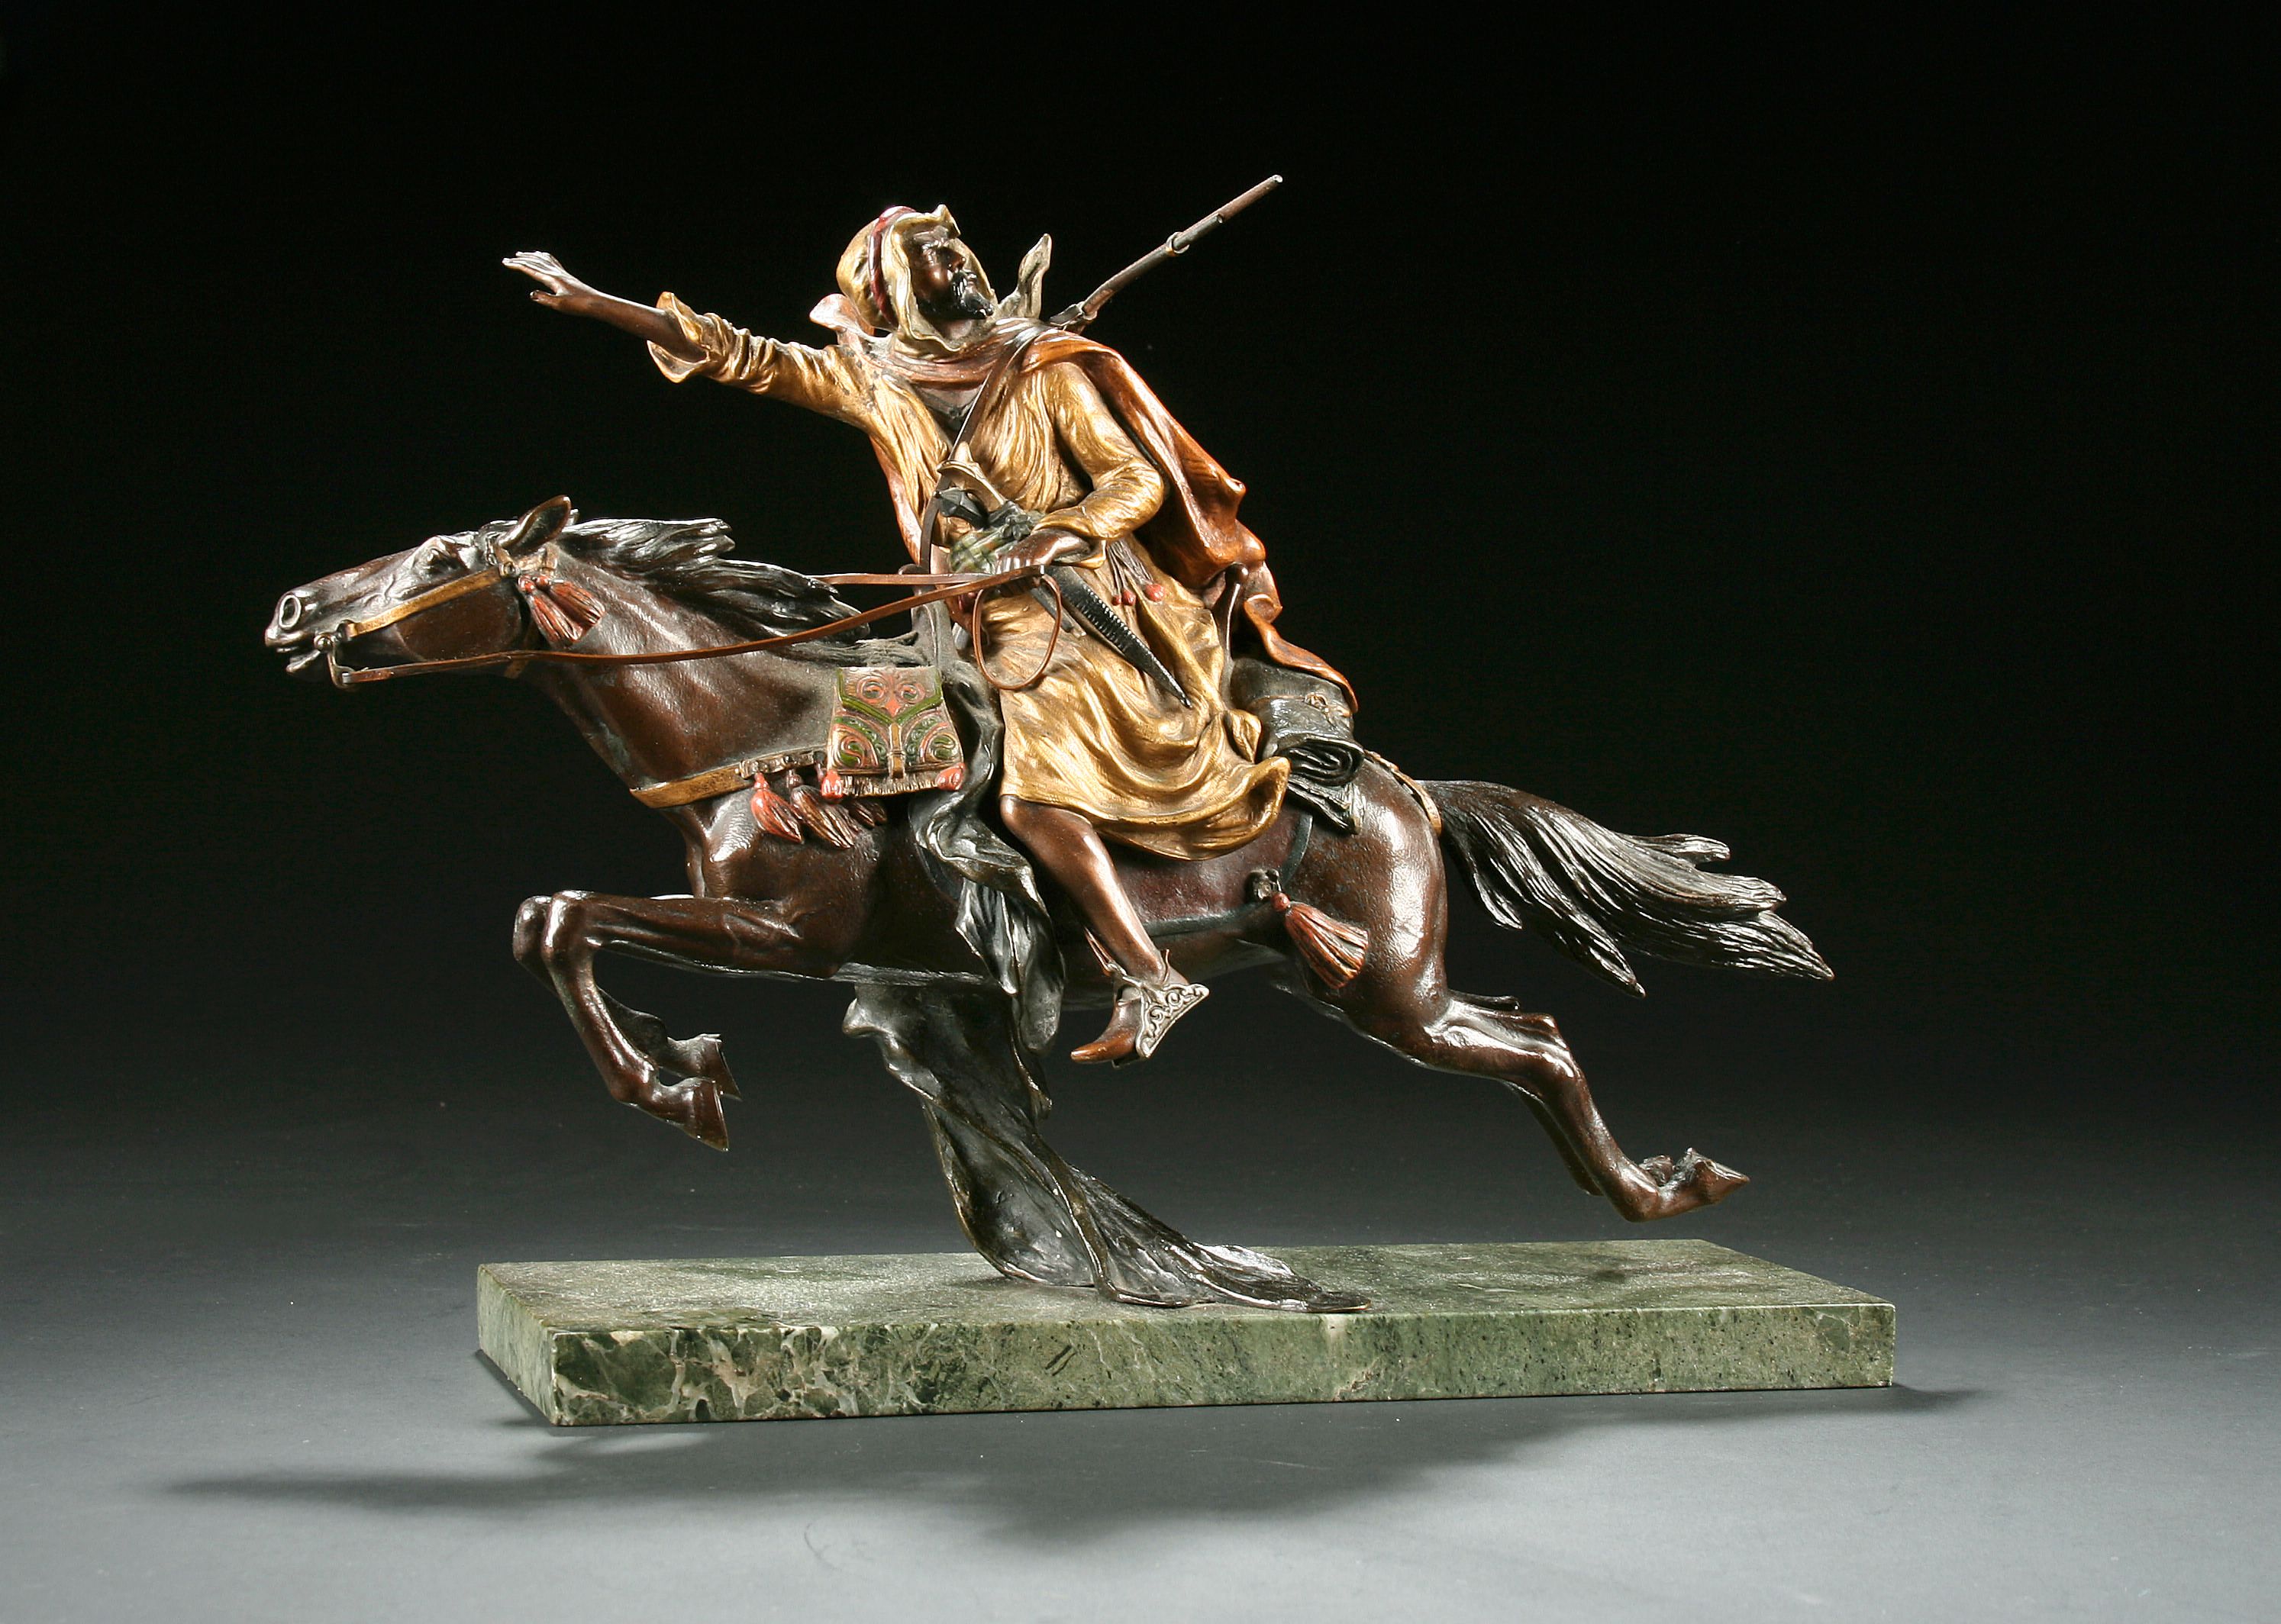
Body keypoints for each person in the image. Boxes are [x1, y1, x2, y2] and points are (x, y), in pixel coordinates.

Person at [505, 206, 1347, 1063]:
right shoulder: (876, 380)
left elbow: (1134, 479)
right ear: (896, 291)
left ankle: (1150, 974)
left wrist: (1065, 531)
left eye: (956, 245)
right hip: (961, 614)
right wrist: (601, 303)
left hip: (1089, 607)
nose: (962, 260)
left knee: (1029, 791)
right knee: (863, 725)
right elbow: (742, 356)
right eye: (936, 254)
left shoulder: (1043, 368)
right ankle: (929, 935)